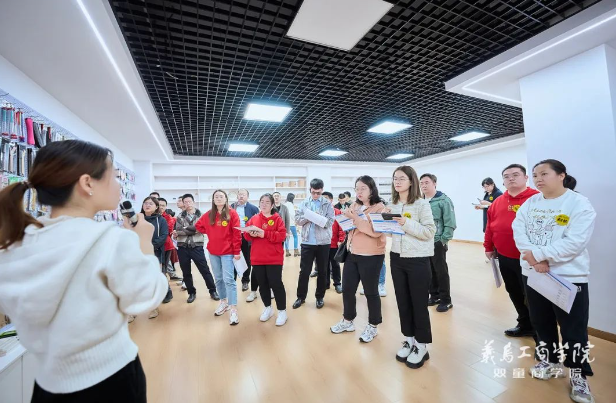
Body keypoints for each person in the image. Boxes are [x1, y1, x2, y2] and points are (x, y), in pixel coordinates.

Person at [0, 140, 167, 402]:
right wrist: (144, 242)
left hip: (47, 385)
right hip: (112, 381)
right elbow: (147, 297)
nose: (118, 185)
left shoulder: (14, 243)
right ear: (87, 183)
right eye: (112, 176)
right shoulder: (110, 240)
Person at [512, 160, 596, 403]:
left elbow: (575, 242)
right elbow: (519, 231)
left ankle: (578, 375)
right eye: (535, 175)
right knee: (541, 322)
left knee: (573, 328)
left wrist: (539, 256)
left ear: (561, 175)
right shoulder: (531, 203)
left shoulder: (578, 203)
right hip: (534, 274)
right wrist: (534, 259)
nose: (538, 179)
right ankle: (549, 361)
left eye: (544, 174)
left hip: (568, 276)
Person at [386, 166, 436, 369]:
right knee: (403, 302)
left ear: (411, 181)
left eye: (401, 178)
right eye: (395, 178)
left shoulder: (422, 204)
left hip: (418, 259)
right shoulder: (392, 204)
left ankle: (421, 345)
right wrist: (382, 222)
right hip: (396, 257)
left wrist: (404, 223)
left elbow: (429, 232)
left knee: (418, 303)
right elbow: (390, 233)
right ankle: (409, 339)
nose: (397, 182)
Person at [484, 164, 539, 337]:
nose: (511, 178)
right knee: (514, 291)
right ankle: (525, 324)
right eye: (506, 176)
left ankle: (540, 334)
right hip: (504, 256)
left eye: (515, 175)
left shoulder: (537, 198)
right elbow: (490, 226)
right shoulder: (497, 202)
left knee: (533, 297)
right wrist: (488, 247)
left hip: (530, 259)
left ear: (526, 178)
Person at [330, 176, 386, 343]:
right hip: (352, 253)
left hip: (371, 255)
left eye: (363, 188)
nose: (359, 192)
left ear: (372, 189)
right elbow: (351, 228)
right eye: (357, 189)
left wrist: (356, 219)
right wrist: (346, 220)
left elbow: (376, 232)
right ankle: (348, 321)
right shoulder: (355, 205)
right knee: (347, 289)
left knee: (371, 292)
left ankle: (373, 325)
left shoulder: (380, 208)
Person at [196, 190, 242, 325]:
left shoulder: (232, 213)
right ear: (213, 200)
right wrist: (210, 231)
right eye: (216, 197)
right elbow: (199, 226)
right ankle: (223, 302)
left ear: (226, 199)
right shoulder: (209, 214)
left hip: (228, 252)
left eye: (221, 196)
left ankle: (233, 308)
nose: (219, 198)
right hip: (213, 251)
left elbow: (237, 233)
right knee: (218, 279)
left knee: (229, 280)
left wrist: (237, 251)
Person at [245, 194, 288, 326]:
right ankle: (268, 308)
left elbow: (282, 236)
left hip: (274, 257)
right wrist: (250, 233)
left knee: (276, 283)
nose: (264, 204)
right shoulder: (254, 218)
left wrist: (265, 234)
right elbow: (246, 235)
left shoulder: (277, 219)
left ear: (272, 205)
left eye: (267, 202)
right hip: (257, 257)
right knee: (262, 284)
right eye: (262, 202)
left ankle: (282, 311)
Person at [293, 178, 335, 309]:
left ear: (322, 190)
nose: (316, 195)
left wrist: (318, 218)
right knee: (304, 271)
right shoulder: (304, 203)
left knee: (322, 271)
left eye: (318, 193)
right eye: (313, 192)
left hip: (323, 242)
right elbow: (297, 220)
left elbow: (330, 222)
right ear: (310, 190)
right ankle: (301, 297)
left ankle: (319, 297)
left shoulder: (327, 204)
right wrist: (308, 217)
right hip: (307, 242)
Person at [420, 173, 457, 313]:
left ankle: (446, 300)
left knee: (440, 271)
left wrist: (443, 240)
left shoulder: (443, 200)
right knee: (429, 271)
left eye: (427, 182)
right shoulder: (420, 201)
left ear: (434, 183)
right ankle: (434, 296)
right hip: (424, 241)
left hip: (437, 241)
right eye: (421, 183)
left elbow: (450, 222)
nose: (423, 185)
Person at [174, 194, 219, 303]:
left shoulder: (201, 215)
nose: (188, 204)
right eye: (185, 202)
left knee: (204, 270)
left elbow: (202, 229)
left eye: (189, 201)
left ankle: (212, 290)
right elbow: (178, 230)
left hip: (197, 246)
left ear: (193, 202)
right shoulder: (180, 216)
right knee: (186, 271)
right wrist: (193, 229)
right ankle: (191, 292)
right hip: (182, 246)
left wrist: (185, 229)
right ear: (183, 203)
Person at [140, 196, 169, 318]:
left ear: (156, 206)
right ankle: (133, 311)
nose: (147, 205)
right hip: (138, 253)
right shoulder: (137, 219)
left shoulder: (161, 220)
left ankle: (154, 307)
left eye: (150, 203)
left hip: (155, 253)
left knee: (153, 281)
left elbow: (163, 236)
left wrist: (149, 246)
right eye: (145, 203)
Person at [231, 189, 259, 296]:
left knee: (247, 259)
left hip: (247, 236)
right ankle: (232, 280)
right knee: (234, 258)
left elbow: (257, 222)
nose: (241, 196)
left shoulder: (253, 208)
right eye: (239, 194)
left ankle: (245, 281)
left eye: (243, 194)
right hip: (234, 236)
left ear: (247, 196)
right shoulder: (231, 207)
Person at [321, 192, 345, 293]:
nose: (324, 200)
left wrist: (341, 240)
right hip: (322, 243)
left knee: (335, 264)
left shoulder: (338, 212)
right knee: (324, 265)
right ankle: (326, 283)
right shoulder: (319, 212)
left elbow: (341, 227)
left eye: (326, 198)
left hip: (334, 243)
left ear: (331, 200)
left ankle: (337, 283)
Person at [158, 198, 182, 283]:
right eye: (159, 205)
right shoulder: (150, 216)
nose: (161, 207)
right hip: (153, 245)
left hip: (166, 245)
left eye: (163, 205)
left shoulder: (168, 217)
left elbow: (167, 230)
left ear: (166, 207)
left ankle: (165, 286)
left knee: (164, 266)